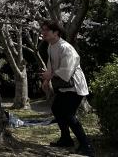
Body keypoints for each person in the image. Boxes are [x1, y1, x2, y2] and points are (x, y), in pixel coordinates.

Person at [40, 19, 93, 156]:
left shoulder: (65, 47)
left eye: (46, 30)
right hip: (64, 86)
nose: (43, 32)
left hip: (75, 86)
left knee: (68, 114)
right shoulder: (51, 46)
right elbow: (51, 66)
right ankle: (66, 139)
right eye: (43, 29)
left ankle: (86, 145)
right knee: (56, 108)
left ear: (56, 32)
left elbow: (67, 70)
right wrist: (47, 79)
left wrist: (49, 75)